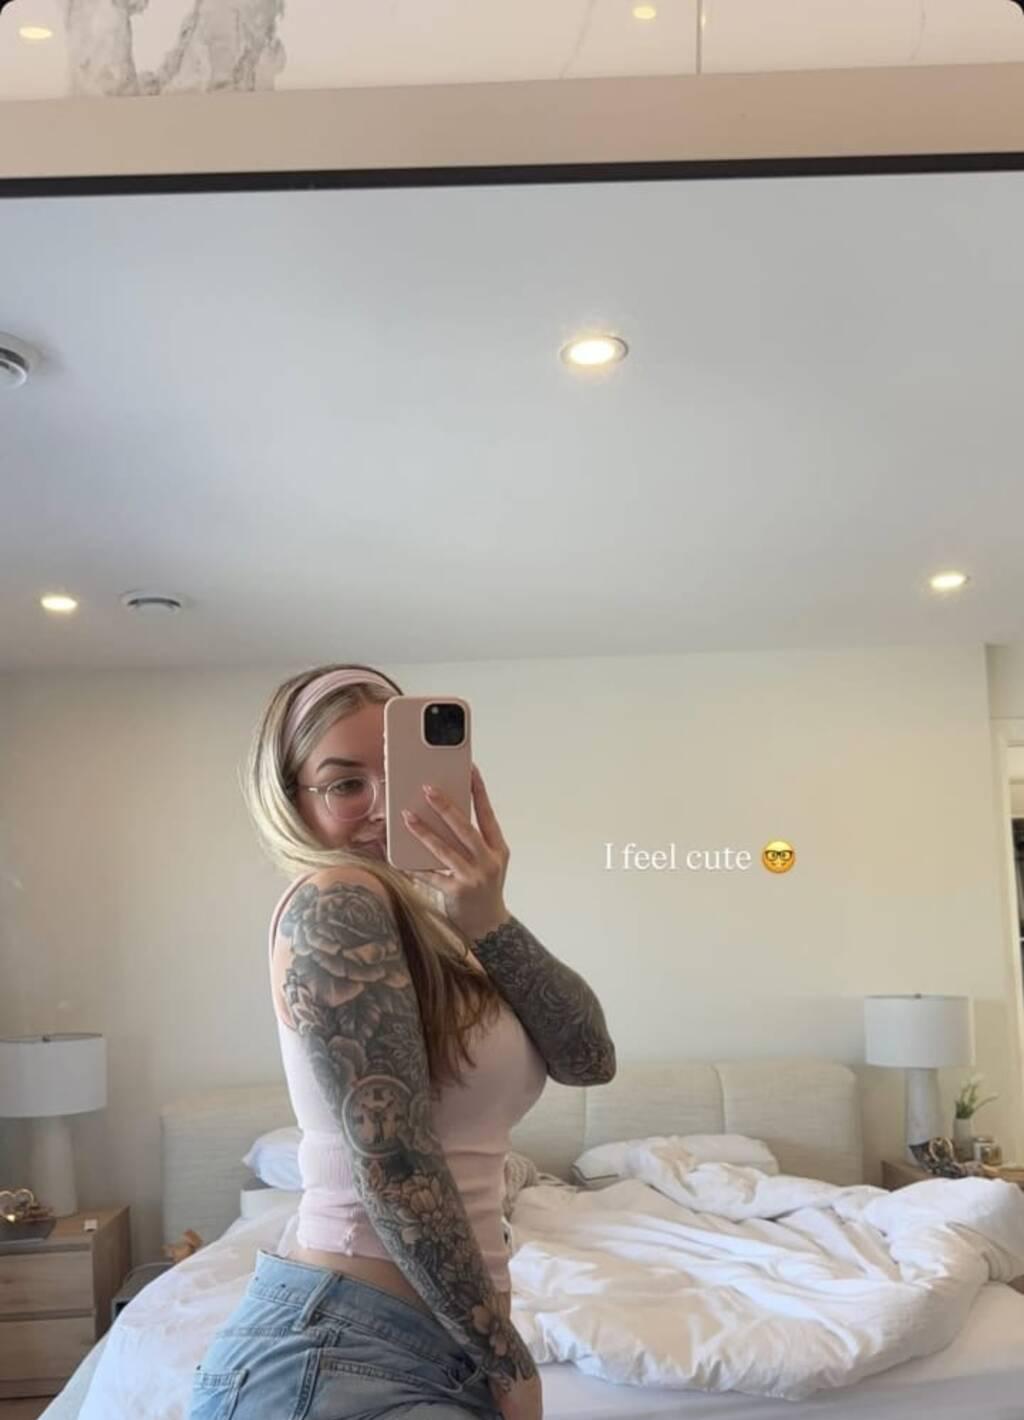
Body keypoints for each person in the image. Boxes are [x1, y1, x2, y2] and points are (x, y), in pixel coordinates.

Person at [187, 663, 617, 1420]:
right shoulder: (336, 902)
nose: (384, 807)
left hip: (418, 1343)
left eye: (401, 775)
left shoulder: (440, 927)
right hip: (343, 1353)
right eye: (346, 784)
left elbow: (589, 1058)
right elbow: (393, 1165)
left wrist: (490, 918)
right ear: (292, 802)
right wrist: (508, 1362)